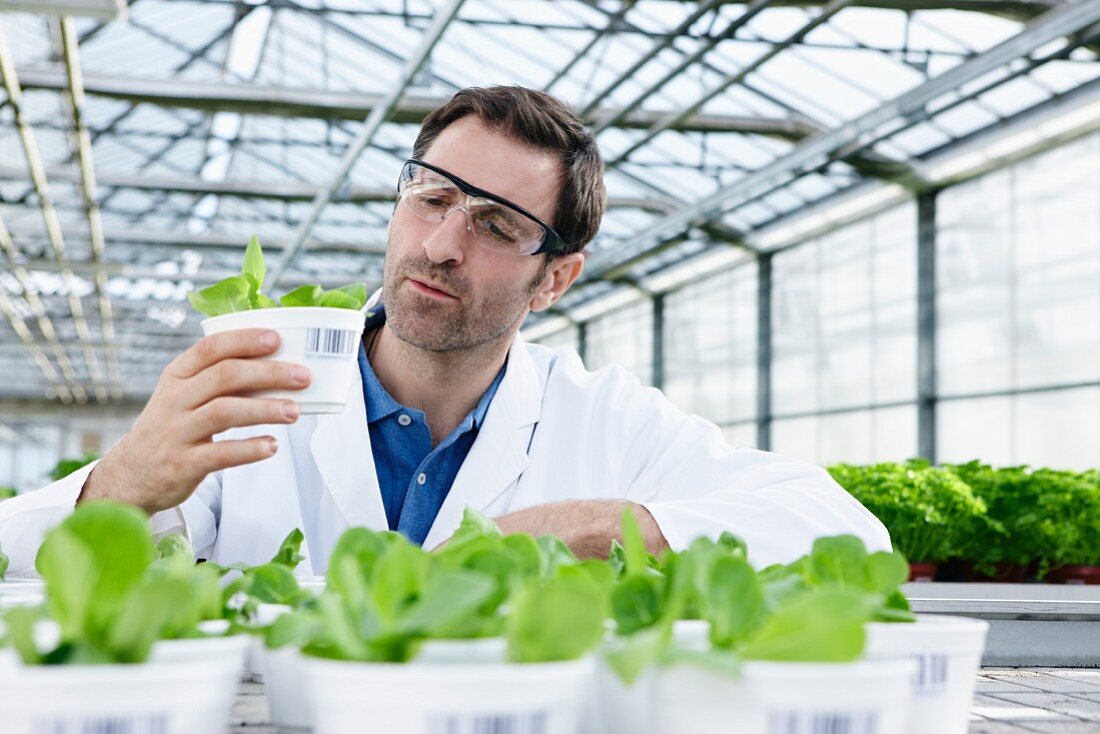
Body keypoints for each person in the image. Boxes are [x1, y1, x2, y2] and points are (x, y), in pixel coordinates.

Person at [0, 86, 888, 577]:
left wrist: (594, 525)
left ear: (556, 277)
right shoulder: (258, 389)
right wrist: (118, 485)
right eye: (431, 198)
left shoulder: (606, 419)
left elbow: (842, 531)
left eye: (497, 227)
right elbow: (26, 561)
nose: (441, 244)